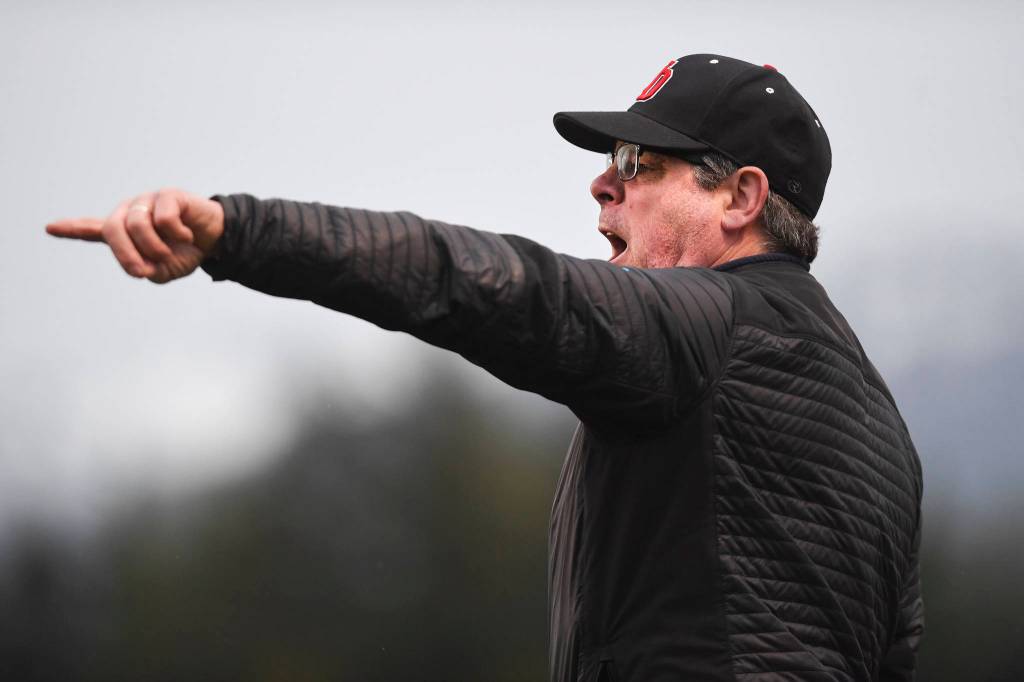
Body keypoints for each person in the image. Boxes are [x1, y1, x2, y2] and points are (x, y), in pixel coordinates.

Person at [46, 53, 924, 681]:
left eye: (636, 162)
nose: (600, 185)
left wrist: (240, 232)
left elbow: (490, 287)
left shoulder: (703, 329)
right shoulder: (886, 427)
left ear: (742, 199)